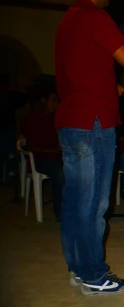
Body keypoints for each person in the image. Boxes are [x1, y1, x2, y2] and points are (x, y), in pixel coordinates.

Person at [55, 0, 124, 295]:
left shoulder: (67, 21)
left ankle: (78, 268)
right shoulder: (94, 15)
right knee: (94, 202)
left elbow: (83, 71)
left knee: (75, 201)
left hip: (72, 120)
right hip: (93, 123)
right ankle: (94, 274)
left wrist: (122, 91)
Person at [20, 86, 65, 220]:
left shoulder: (56, 119)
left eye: (57, 101)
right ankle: (61, 213)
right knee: (59, 172)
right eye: (53, 100)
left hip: (58, 158)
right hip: (41, 160)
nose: (56, 104)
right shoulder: (32, 119)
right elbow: (30, 146)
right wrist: (53, 150)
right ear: (44, 101)